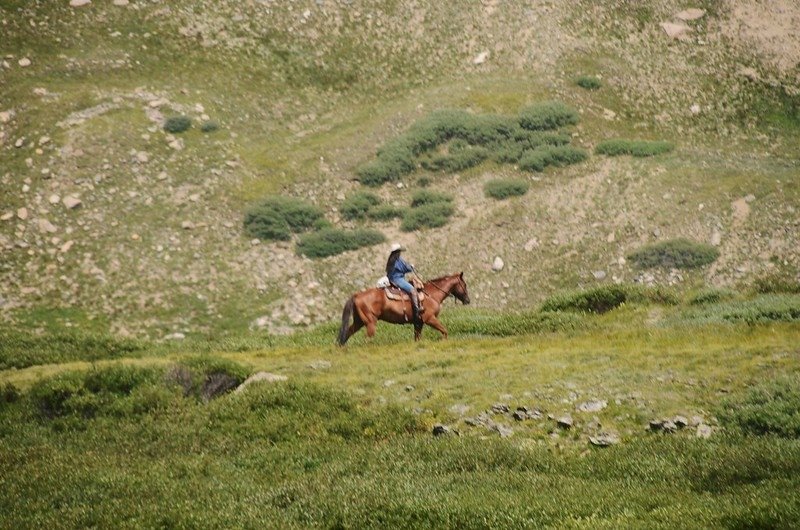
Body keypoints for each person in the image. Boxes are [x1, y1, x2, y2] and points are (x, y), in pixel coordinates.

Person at [385, 243, 422, 324]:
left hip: (392, 279)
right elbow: (405, 268)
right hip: (398, 279)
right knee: (412, 290)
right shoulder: (398, 260)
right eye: (399, 251)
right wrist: (411, 266)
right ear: (397, 252)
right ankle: (417, 310)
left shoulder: (391, 260)